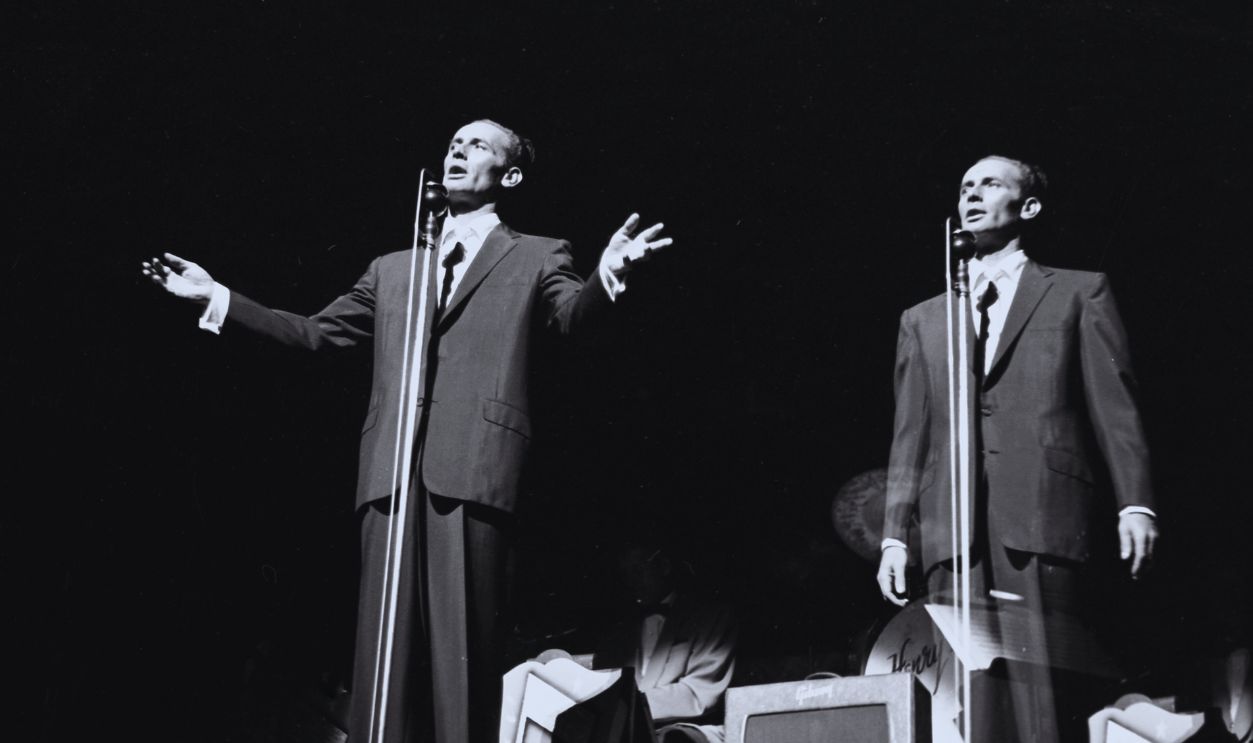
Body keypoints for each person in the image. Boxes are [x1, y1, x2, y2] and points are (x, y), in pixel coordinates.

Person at [141, 118, 672, 743]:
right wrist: (220, 296)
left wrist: (609, 279)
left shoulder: (536, 253)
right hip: (390, 478)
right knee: (382, 668)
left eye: (477, 145)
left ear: (510, 173)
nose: (458, 151)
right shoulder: (394, 269)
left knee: (460, 665)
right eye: (452, 143)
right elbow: (315, 335)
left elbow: (569, 314)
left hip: (473, 472)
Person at [874, 155, 1159, 741]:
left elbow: (1116, 406)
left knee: (1040, 697)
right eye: (965, 186)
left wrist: (1136, 502)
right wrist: (895, 535)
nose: (972, 195)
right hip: (951, 533)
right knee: (969, 702)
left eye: (990, 184)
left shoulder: (1080, 292)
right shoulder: (924, 319)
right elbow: (910, 435)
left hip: (1040, 516)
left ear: (1027, 207)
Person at [592, 539, 737, 743]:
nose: (631, 581)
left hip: (686, 734)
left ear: (664, 566)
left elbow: (700, 694)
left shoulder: (710, 618)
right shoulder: (616, 633)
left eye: (637, 570)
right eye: (625, 573)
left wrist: (628, 706)